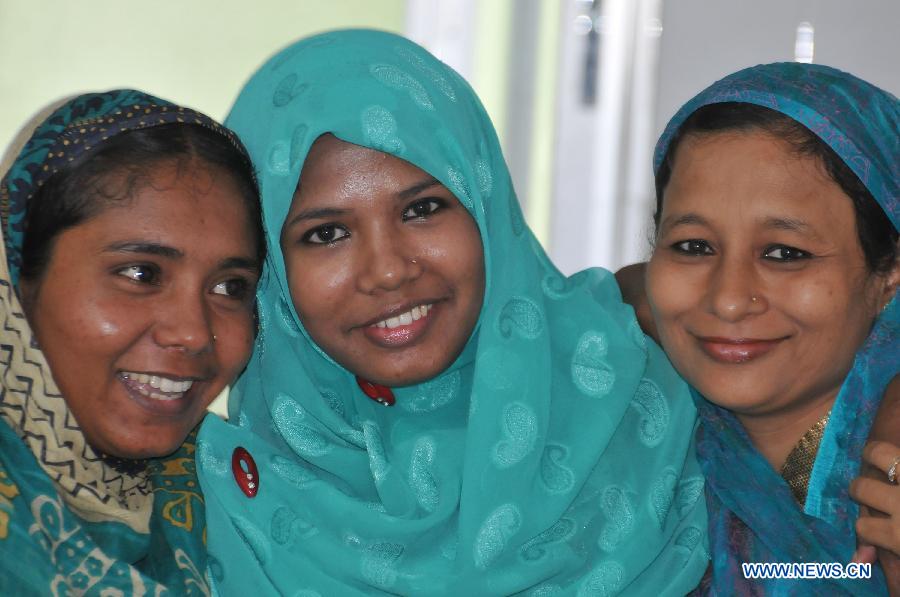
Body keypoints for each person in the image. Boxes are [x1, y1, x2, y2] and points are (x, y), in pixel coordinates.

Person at [197, 29, 708, 595]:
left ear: (487, 206)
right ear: (269, 267)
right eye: (327, 233)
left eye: (422, 208)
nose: (388, 270)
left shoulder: (644, 391)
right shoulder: (210, 503)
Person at [645, 63, 899, 593]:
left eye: (785, 254)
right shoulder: (609, 455)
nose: (730, 300)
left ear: (888, 276)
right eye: (693, 246)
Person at [0, 90, 265, 594]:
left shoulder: (235, 497)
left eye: (230, 288)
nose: (191, 332)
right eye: (141, 274)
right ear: (19, 277)